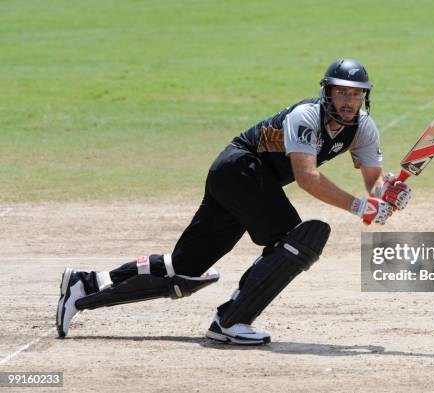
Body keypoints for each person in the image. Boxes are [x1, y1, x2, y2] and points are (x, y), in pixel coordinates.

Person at [56, 58, 412, 345]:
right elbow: (307, 178)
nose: (348, 102)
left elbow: (373, 182)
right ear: (328, 93)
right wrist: (358, 206)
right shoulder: (305, 117)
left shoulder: (363, 128)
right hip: (240, 169)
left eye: (355, 94)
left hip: (250, 181)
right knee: (299, 240)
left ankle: (85, 285)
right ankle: (231, 321)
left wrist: (388, 193)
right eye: (342, 93)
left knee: (185, 270)